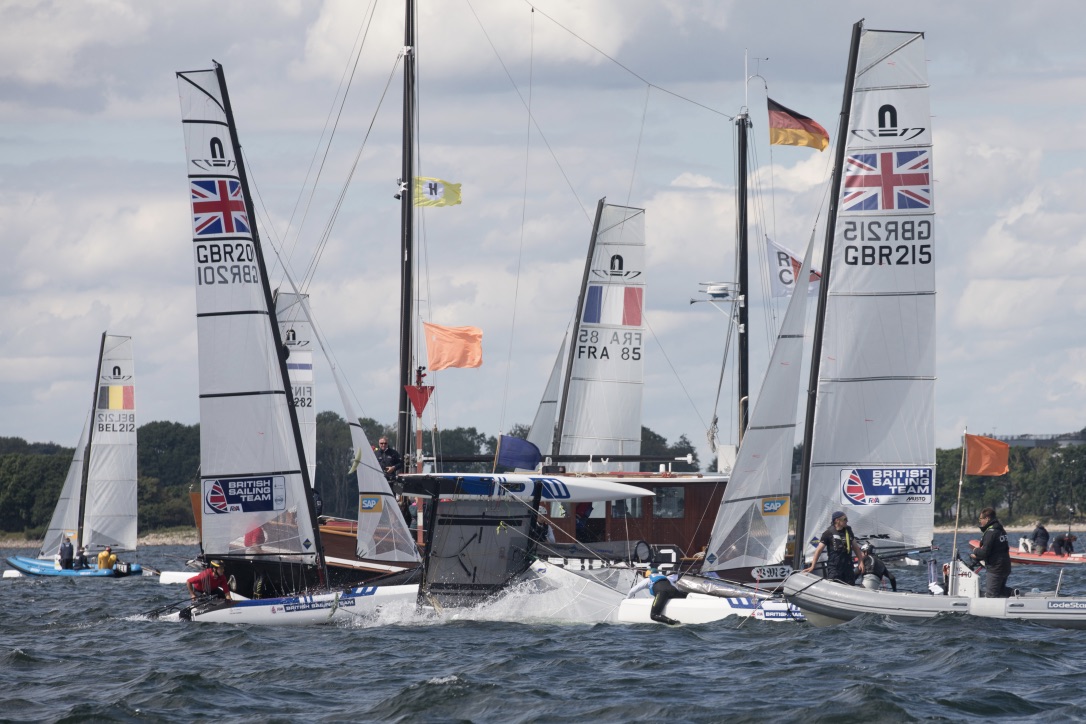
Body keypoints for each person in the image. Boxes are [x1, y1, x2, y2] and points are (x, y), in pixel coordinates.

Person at [803, 510, 865, 584]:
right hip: (835, 568)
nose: (847, 521)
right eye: (845, 519)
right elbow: (818, 550)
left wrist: (860, 561)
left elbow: (855, 547)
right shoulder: (827, 533)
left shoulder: (848, 531)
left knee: (850, 586)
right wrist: (813, 566)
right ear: (837, 520)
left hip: (847, 567)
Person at [970, 507, 1012, 598]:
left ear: (987, 519)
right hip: (1005, 566)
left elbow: (985, 552)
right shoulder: (1001, 530)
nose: (980, 521)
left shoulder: (991, 532)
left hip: (996, 568)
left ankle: (994, 609)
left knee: (991, 595)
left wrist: (975, 551)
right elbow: (995, 549)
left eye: (980, 519)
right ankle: (1013, 593)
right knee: (1000, 591)